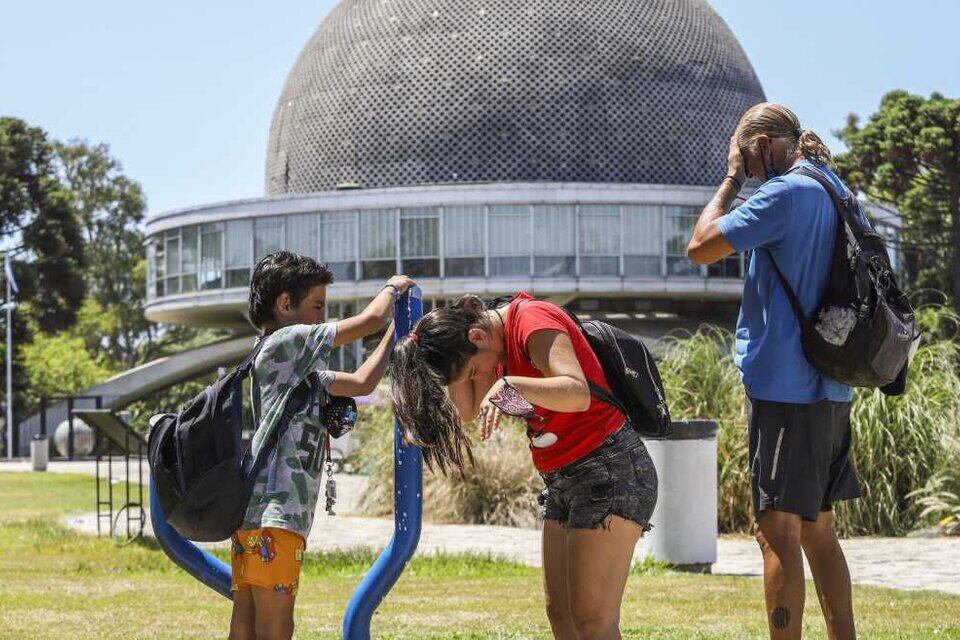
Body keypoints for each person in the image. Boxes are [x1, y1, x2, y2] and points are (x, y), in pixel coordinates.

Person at [687, 103, 863, 640]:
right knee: (819, 532)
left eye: (746, 152)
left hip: (786, 387)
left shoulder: (783, 194)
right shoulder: (833, 188)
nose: (747, 164)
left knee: (776, 533)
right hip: (832, 385)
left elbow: (700, 247)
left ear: (762, 145)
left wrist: (729, 179)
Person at [391, 292, 658, 640]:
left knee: (592, 620)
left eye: (474, 370)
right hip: (562, 478)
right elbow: (468, 411)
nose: (480, 376)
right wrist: (446, 365)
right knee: (560, 614)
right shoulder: (489, 344)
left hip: (609, 467)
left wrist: (511, 383)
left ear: (477, 337)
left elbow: (577, 393)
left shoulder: (532, 321)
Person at [229, 250, 414, 640]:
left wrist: (395, 333)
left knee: (246, 628)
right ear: (284, 304)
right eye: (317, 306)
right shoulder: (285, 342)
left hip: (257, 518)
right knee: (277, 628)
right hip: (275, 518)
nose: (321, 317)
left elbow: (362, 382)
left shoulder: (300, 372)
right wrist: (393, 288)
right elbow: (369, 319)